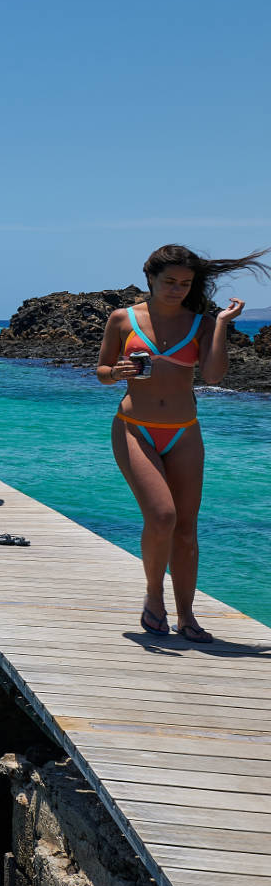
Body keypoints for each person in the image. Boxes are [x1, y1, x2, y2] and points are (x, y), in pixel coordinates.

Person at [96, 244, 266, 642]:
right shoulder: (123, 319)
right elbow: (102, 370)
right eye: (169, 281)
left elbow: (213, 377)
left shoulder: (202, 323)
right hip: (134, 427)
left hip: (184, 431)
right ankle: (154, 596)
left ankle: (187, 616)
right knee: (162, 517)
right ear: (150, 278)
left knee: (186, 529)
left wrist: (221, 323)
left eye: (185, 284)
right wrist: (114, 371)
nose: (177, 289)